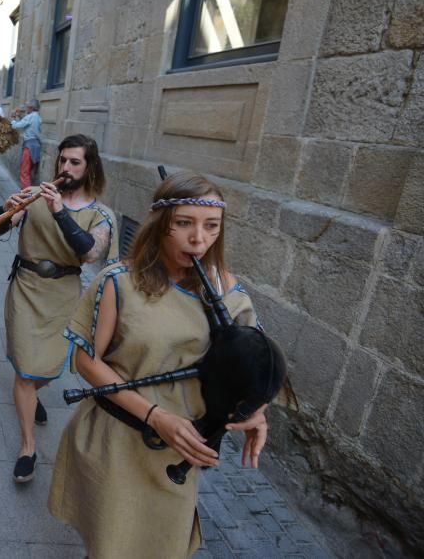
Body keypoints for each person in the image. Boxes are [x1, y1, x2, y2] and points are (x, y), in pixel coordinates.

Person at [48, 172, 271, 558]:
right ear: (161, 225)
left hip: (178, 452)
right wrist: (155, 415)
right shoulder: (119, 282)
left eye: (211, 226)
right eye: (184, 223)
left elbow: (254, 366)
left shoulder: (230, 293)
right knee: (109, 545)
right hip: (117, 441)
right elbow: (86, 360)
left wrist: (257, 410)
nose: (198, 238)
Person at [0, 134, 117, 483]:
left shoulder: (100, 214)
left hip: (63, 294)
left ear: (90, 167)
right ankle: (28, 447)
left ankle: (31, 394)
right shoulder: (34, 196)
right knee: (26, 368)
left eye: (74, 162)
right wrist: (6, 208)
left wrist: (59, 211)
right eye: (62, 160)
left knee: (48, 368)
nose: (65, 168)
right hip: (26, 289)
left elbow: (90, 253)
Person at [12, 99, 42, 188]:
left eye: (27, 106)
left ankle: (26, 195)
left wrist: (13, 118)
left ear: (31, 107)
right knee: (29, 171)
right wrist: (20, 118)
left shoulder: (30, 117)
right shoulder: (37, 117)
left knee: (24, 171)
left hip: (29, 146)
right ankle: (26, 192)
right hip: (36, 145)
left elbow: (16, 126)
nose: (25, 109)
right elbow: (26, 124)